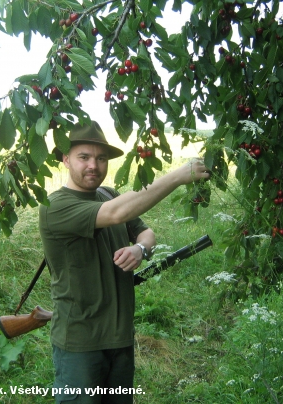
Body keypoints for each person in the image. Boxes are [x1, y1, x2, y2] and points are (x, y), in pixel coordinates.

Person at [39, 120, 209, 404]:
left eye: (101, 158)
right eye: (84, 157)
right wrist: (178, 176)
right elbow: (115, 214)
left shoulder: (108, 194)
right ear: (66, 159)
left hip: (120, 338)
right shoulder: (56, 206)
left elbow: (146, 232)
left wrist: (140, 249)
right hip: (81, 344)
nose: (94, 165)